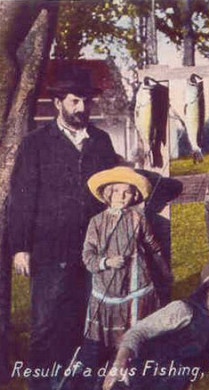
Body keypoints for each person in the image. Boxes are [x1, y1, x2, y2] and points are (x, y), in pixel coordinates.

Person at [7, 66, 119, 390]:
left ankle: (80, 385)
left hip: (94, 249)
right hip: (49, 249)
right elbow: (22, 198)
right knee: (45, 325)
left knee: (87, 322)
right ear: (58, 103)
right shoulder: (36, 144)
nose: (81, 108)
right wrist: (20, 247)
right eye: (74, 101)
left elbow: (112, 192)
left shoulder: (101, 142)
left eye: (85, 101)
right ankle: (41, 386)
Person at [73, 166, 172, 389]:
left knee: (134, 337)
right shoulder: (96, 222)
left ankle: (130, 372)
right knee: (101, 343)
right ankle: (101, 374)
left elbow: (154, 247)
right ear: (107, 194)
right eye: (116, 191)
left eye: (127, 192)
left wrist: (164, 270)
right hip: (106, 290)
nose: (121, 196)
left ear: (134, 195)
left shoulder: (137, 218)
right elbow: (87, 255)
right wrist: (106, 262)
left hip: (136, 287)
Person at [102, 260, 209, 390]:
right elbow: (137, 332)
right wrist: (119, 364)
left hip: (174, 381)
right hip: (139, 375)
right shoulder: (183, 309)